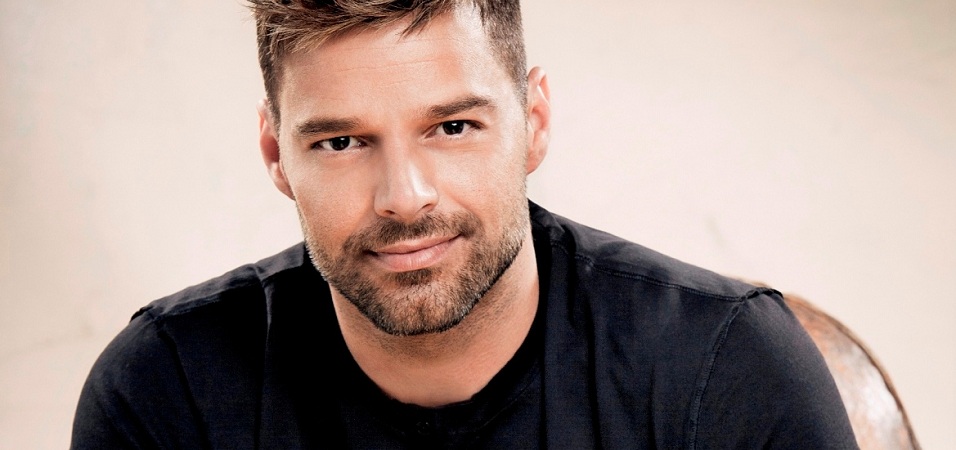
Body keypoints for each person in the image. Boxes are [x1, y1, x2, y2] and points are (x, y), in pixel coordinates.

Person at [71, 0, 858, 448]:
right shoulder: (166, 391)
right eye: (341, 142)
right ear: (277, 154)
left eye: (452, 127)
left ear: (533, 122)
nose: (405, 197)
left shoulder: (725, 370)